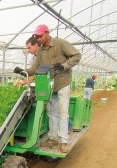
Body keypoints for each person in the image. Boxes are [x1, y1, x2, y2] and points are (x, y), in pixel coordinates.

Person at [14, 24, 82, 153]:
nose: (38, 38)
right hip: (49, 85)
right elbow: (34, 68)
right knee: (51, 112)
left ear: (47, 33)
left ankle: (64, 141)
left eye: (40, 35)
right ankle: (53, 137)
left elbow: (77, 55)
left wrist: (64, 65)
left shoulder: (60, 43)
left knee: (62, 112)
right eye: (36, 36)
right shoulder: (40, 51)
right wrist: (23, 72)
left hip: (62, 83)